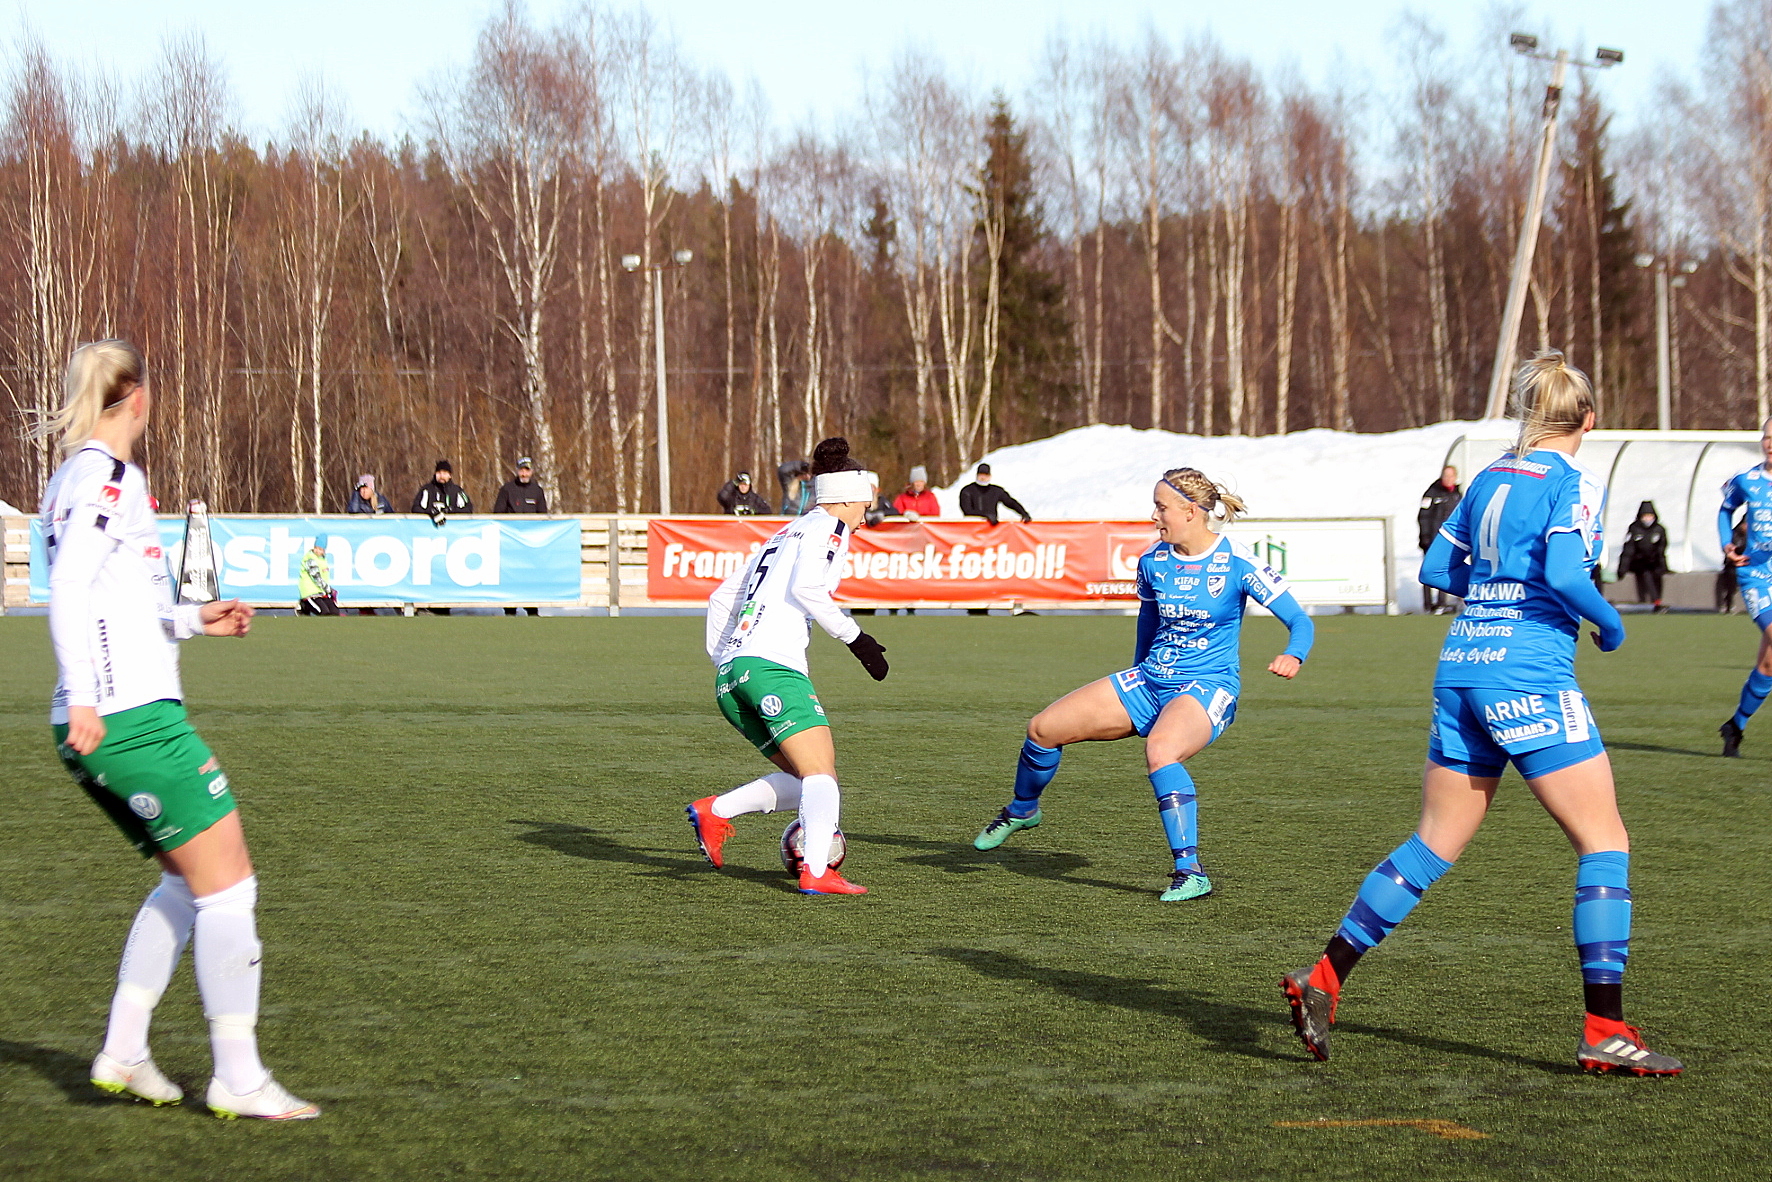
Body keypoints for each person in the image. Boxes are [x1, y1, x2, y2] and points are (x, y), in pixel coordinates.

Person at [1280, 351, 1682, 1076]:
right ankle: (1604, 1029)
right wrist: (1609, 622)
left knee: (1432, 842)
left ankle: (1325, 977)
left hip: (1461, 665)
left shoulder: (1491, 474)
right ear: (1588, 420)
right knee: (1604, 842)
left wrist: (1493, 594)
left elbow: (1437, 568)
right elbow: (1565, 575)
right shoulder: (1574, 481)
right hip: (1526, 673)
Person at [35, 339, 320, 1119]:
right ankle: (239, 1076)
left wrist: (194, 620)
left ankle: (125, 1051)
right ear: (137, 396)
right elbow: (69, 587)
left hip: (103, 715)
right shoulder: (110, 478)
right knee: (230, 886)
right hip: (128, 719)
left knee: (185, 883)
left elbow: (118, 600)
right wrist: (88, 696)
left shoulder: (70, 478)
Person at [970, 468, 1314, 902]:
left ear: (1191, 512)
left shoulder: (1237, 561)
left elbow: (1299, 620)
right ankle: (1023, 810)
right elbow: (1148, 621)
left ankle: (1190, 872)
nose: (1154, 516)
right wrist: (1136, 679)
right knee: (1042, 729)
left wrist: (1293, 654)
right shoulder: (1153, 560)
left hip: (1208, 685)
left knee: (1161, 751)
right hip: (1150, 680)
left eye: (1161, 507)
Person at [687, 438, 890, 895]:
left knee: (809, 781)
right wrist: (857, 640)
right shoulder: (831, 528)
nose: (866, 515)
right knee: (821, 776)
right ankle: (816, 870)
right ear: (846, 497)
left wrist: (730, 660)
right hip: (772, 666)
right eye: (865, 504)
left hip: (732, 676)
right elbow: (808, 589)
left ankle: (714, 812)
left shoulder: (784, 533)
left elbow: (720, 598)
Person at [1717, 416, 1772, 757]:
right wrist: (1727, 544)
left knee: (1768, 666)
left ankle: (1735, 726)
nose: (1771, 443)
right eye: (1767, 436)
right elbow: (1725, 510)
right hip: (1757, 576)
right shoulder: (1747, 480)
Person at [494, 458, 547, 616]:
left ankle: (532, 608)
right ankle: (510, 608)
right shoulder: (507, 489)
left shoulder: (537, 491)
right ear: (517, 471)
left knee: (530, 575)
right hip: (511, 541)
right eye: (521, 470)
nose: (524, 473)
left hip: (530, 542)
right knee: (511, 574)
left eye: (527, 470)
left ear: (532, 471)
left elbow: (543, 515)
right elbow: (498, 513)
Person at [1417, 466, 1462, 613]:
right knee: (1429, 570)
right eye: (1445, 475)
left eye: (1451, 476)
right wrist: (1425, 536)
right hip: (1432, 538)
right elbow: (1423, 516)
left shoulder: (1457, 494)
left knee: (1446, 570)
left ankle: (1442, 603)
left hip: (1450, 539)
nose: (1448, 479)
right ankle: (1428, 605)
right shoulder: (1432, 493)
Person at [1617, 501, 1669, 612]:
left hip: (1653, 561)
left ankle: (1658, 600)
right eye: (1645, 516)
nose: (1647, 519)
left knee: (1657, 573)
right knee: (1646, 573)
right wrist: (1622, 569)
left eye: (1650, 516)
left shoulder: (1659, 529)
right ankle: (1654, 601)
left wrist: (1664, 567)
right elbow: (1628, 550)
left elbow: (1661, 550)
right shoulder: (1634, 529)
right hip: (1638, 562)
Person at [958, 463, 1031, 524]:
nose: (983, 477)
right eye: (981, 474)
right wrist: (986, 516)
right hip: (972, 527)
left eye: (985, 475)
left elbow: (1011, 502)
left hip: (992, 529)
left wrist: (1023, 513)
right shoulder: (967, 491)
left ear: (990, 476)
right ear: (976, 475)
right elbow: (967, 510)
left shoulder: (996, 491)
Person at [412, 460, 472, 525]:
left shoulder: (457, 491)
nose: (441, 476)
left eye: (444, 473)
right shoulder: (426, 490)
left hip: (453, 528)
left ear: (450, 475)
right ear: (435, 474)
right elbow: (415, 508)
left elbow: (469, 509)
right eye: (439, 473)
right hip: (429, 528)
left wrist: (451, 510)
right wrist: (430, 512)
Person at [297, 537, 339, 616]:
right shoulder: (310, 558)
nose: (317, 551)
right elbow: (316, 577)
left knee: (335, 612)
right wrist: (329, 589)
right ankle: (303, 606)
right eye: (316, 548)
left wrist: (328, 591)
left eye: (320, 549)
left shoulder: (323, 559)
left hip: (321, 593)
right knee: (323, 612)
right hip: (310, 593)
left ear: (324, 550)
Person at [1717, 520, 1747, 614]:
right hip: (1733, 565)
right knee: (1731, 580)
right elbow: (1730, 551)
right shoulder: (1734, 535)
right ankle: (1728, 605)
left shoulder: (1754, 536)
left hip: (1750, 564)